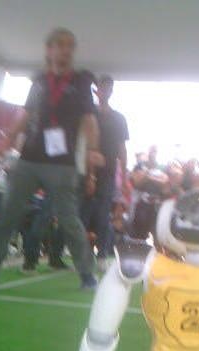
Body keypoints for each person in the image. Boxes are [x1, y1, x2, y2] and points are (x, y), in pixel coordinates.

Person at [0, 28, 102, 291]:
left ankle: (87, 275)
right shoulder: (39, 80)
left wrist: (93, 150)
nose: (66, 50)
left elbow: (89, 119)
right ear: (49, 50)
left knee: (69, 220)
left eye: (70, 46)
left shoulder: (81, 81)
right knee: (7, 215)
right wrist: (7, 141)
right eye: (60, 45)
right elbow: (26, 114)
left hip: (62, 164)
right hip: (29, 159)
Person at [80, 75, 129, 270]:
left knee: (103, 217)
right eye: (102, 88)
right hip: (85, 171)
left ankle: (102, 256)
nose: (105, 92)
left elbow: (122, 149)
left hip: (108, 174)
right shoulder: (88, 114)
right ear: (96, 90)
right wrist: (90, 175)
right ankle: (81, 256)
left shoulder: (119, 118)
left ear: (111, 91)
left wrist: (124, 178)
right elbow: (83, 143)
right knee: (82, 216)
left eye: (109, 88)